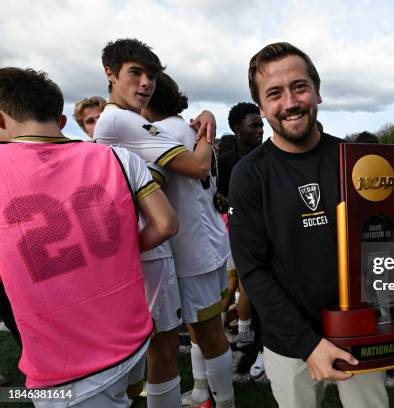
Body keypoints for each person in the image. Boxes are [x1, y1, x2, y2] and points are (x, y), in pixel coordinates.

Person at [0, 67, 177, 406]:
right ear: (61, 119)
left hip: (66, 364)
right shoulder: (118, 157)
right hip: (131, 333)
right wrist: (122, 250)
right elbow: (167, 222)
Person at [229, 42, 389, 408]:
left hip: (359, 330)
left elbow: (384, 246)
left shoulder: (357, 162)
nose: (290, 102)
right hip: (289, 341)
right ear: (262, 105)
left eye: (299, 86)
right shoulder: (249, 174)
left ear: (316, 90)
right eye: (274, 93)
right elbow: (253, 270)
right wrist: (307, 344)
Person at [94, 38, 220, 408]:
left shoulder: (123, 120)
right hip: (147, 248)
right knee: (162, 351)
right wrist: (207, 132)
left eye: (150, 75)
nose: (145, 83)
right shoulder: (122, 120)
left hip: (137, 247)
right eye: (135, 73)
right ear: (110, 74)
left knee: (148, 348)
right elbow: (197, 167)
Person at [141, 72, 234, 408]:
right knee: (202, 329)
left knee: (208, 333)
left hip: (191, 251)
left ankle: (224, 402)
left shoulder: (161, 134)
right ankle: (201, 392)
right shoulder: (194, 129)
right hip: (203, 245)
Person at [217, 101, 265, 380]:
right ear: (237, 129)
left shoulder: (270, 156)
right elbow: (219, 201)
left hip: (271, 236)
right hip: (238, 237)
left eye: (261, 124)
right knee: (245, 289)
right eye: (254, 125)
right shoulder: (223, 164)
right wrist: (223, 202)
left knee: (262, 292)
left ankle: (262, 348)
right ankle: (249, 339)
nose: (261, 129)